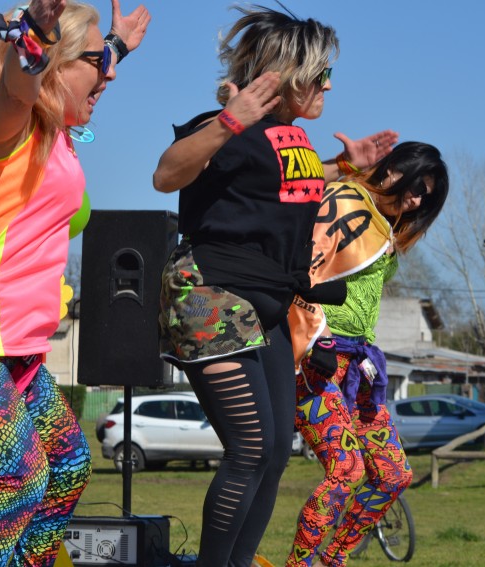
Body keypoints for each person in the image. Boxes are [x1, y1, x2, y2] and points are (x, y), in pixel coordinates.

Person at [0, 1, 149, 565]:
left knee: (70, 466)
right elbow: (16, 93)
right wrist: (33, 41)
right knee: (23, 475)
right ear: (51, 63)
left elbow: (71, 73)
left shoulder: (55, 128)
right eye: (98, 62)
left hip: (16, 349)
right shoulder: (2, 124)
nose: (109, 74)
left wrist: (115, 45)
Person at [153, 6, 396, 566]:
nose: (328, 85)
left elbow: (286, 180)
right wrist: (228, 121)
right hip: (211, 294)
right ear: (286, 75)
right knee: (249, 449)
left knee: (275, 454)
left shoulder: (292, 139)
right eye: (320, 74)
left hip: (266, 302)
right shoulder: (224, 125)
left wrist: (343, 166)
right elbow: (166, 174)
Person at [288, 142, 449, 567]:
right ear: (393, 170)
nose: (417, 202)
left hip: (359, 364)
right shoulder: (345, 199)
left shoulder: (385, 226)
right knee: (347, 470)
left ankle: (334, 559)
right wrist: (320, 337)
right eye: (417, 189)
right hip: (316, 357)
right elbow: (300, 270)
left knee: (394, 474)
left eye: (426, 198)